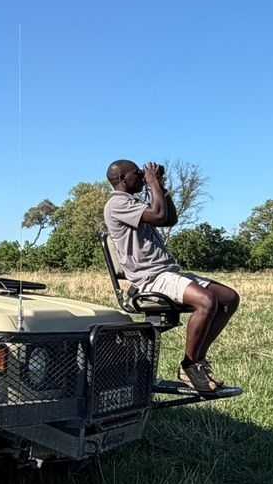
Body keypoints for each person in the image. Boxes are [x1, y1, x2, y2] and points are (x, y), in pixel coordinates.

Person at [103, 159, 241, 394]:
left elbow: (169, 219)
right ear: (123, 178)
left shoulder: (133, 201)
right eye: (137, 173)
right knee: (206, 301)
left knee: (228, 298)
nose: (141, 176)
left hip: (167, 271)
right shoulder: (116, 204)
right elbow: (158, 215)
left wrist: (162, 188)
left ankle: (197, 360)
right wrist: (153, 182)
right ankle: (190, 366)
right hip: (150, 276)